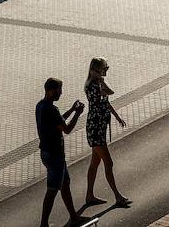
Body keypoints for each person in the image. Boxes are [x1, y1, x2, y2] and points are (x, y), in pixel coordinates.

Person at [36, 78, 91, 227]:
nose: (61, 93)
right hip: (55, 156)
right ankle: (43, 224)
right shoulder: (51, 109)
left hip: (47, 153)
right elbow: (66, 129)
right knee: (52, 190)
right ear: (50, 90)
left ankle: (74, 216)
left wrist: (72, 110)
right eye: (59, 90)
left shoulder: (40, 106)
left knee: (65, 184)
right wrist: (78, 113)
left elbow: (59, 122)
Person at [83, 58, 130, 209]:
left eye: (106, 68)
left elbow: (106, 100)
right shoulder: (91, 86)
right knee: (108, 162)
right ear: (94, 70)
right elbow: (109, 92)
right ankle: (117, 196)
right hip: (95, 129)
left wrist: (117, 117)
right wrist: (99, 79)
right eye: (104, 69)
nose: (106, 71)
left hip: (100, 128)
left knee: (95, 163)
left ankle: (89, 196)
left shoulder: (98, 83)